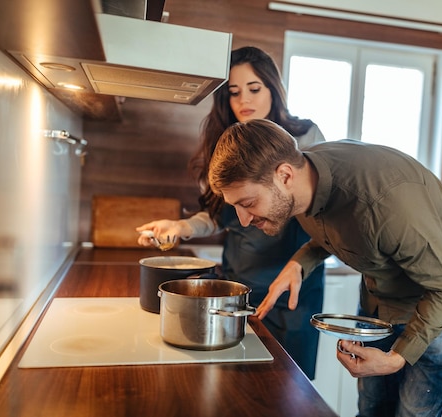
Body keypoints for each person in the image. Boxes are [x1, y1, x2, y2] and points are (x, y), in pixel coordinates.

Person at [206, 119, 442, 417]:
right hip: (380, 300)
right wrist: (299, 263)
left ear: (284, 176)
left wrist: (397, 357)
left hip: (436, 304)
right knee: (371, 411)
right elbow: (343, 228)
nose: (244, 220)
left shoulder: (386, 205)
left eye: (248, 203)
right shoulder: (304, 180)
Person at [136, 47, 325, 380]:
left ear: (273, 89)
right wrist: (181, 226)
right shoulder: (221, 145)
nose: (243, 101)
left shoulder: (306, 138)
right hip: (238, 287)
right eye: (234, 92)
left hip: (294, 291)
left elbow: (324, 212)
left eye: (254, 89)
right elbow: (216, 215)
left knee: (289, 388)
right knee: (236, 382)